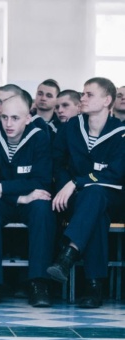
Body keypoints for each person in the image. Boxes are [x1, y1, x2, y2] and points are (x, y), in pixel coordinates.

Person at [47, 77, 125, 308]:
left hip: (112, 197)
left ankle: (69, 252)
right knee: (95, 213)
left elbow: (115, 173)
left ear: (107, 100)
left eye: (89, 94)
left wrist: (77, 182)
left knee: (95, 194)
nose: (83, 98)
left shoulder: (121, 133)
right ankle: (93, 286)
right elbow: (58, 162)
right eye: (83, 94)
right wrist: (66, 185)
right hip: (75, 199)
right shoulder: (72, 126)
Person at [0, 91, 54, 307]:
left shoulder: (39, 136)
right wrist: (20, 197)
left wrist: (2, 187)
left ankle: (38, 284)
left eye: (15, 118)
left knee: (43, 209)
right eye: (5, 117)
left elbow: (42, 180)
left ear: (27, 118)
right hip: (4, 202)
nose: (8, 124)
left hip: (25, 199)